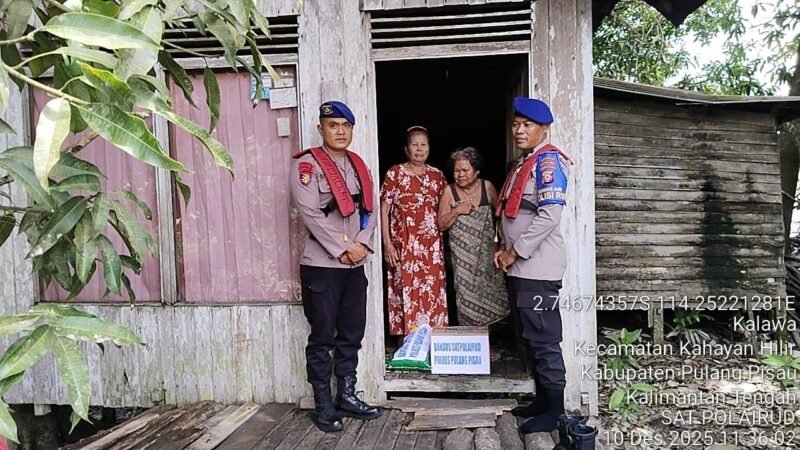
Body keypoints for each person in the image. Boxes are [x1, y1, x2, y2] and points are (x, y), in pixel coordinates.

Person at [289, 100, 382, 433]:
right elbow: (310, 214)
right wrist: (344, 249)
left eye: (345, 125)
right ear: (321, 129)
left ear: (352, 129)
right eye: (333, 125)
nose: (340, 131)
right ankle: (324, 404)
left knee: (351, 333)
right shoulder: (308, 166)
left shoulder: (359, 165)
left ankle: (346, 395)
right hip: (323, 265)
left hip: (354, 265)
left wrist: (363, 245)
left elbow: (370, 210)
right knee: (322, 336)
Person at [493, 97, 572, 434]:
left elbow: (549, 216)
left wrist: (515, 252)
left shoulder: (548, 162)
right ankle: (542, 399)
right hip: (521, 269)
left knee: (544, 339)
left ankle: (554, 410)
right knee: (529, 337)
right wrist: (503, 248)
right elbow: (512, 212)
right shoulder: (523, 163)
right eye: (516, 124)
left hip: (537, 268)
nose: (519, 130)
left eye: (527, 125)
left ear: (544, 128)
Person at [380, 126, 448, 338]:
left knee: (432, 292)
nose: (419, 149)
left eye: (423, 144)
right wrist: (387, 243)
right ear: (406, 149)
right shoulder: (395, 173)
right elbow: (384, 209)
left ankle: (433, 340)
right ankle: (407, 343)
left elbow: (445, 209)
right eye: (414, 144)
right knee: (405, 290)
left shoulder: (438, 176)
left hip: (432, 249)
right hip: (404, 245)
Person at [437, 147, 509, 326]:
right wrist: (456, 211)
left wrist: (503, 244)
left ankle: (489, 338)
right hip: (463, 260)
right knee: (466, 296)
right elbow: (441, 224)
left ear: (476, 171)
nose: (460, 175)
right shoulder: (449, 192)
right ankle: (473, 339)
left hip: (487, 255)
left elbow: (502, 215)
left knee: (491, 294)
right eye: (456, 170)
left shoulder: (487, 187)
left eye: (465, 170)